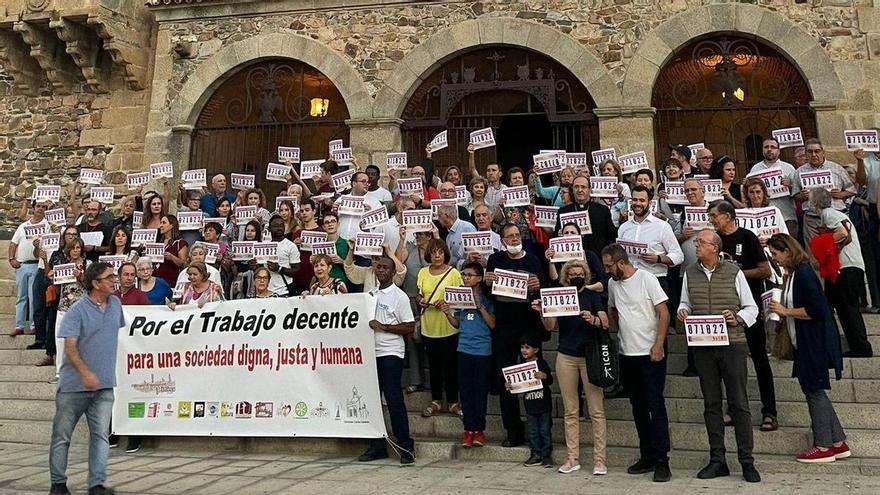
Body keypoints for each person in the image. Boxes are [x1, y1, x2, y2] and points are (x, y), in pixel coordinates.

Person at [678, 229, 761, 483]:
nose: (696, 245)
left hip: (732, 345)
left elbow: (752, 307)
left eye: (701, 242)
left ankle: (747, 461)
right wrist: (683, 311)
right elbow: (685, 302)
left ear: (714, 247)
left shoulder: (734, 272)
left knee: (738, 403)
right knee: (711, 404)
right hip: (703, 345)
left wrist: (737, 318)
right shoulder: (690, 272)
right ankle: (718, 460)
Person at [765, 234, 849, 463]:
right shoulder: (793, 275)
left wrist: (785, 312)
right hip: (803, 341)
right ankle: (838, 441)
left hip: (813, 342)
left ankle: (823, 445)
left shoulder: (802, 273)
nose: (775, 258)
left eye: (776, 253)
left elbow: (816, 310)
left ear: (788, 251)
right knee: (814, 389)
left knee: (814, 390)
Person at [49, 262, 123, 495]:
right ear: (95, 283)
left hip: (104, 385)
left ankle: (96, 485)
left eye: (114, 276)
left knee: (100, 435)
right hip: (73, 387)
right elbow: (70, 347)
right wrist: (85, 372)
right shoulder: (77, 310)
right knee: (62, 436)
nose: (114, 280)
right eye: (109, 277)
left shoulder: (116, 305)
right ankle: (58, 484)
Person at [602, 243, 671, 482]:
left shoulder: (647, 279)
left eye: (610, 265)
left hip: (650, 352)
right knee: (638, 407)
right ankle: (647, 454)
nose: (607, 270)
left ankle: (663, 459)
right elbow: (614, 310)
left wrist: (658, 344)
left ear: (622, 263)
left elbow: (664, 312)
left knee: (655, 405)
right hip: (627, 353)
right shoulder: (613, 283)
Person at [707, 201, 778, 431]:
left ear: (727, 216)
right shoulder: (713, 241)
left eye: (714, 215)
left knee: (759, 359)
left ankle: (769, 412)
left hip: (749, 309)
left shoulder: (746, 237)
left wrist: (736, 274)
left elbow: (765, 270)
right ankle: (733, 410)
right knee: (728, 363)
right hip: (723, 311)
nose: (712, 220)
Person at [532, 260, 607, 475]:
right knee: (570, 410)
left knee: (596, 410)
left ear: (586, 275)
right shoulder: (559, 296)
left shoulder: (592, 296)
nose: (576, 276)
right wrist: (542, 311)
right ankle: (572, 457)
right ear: (566, 276)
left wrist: (592, 319)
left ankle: (600, 459)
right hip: (566, 356)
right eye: (572, 273)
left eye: (580, 273)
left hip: (590, 357)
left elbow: (605, 322)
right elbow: (550, 326)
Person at [485, 223, 547, 448]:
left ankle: (539, 430)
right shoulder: (496, 261)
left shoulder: (533, 260)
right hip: (503, 328)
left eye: (516, 235)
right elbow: (488, 293)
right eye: (509, 236)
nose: (513, 238)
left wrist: (538, 284)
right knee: (506, 382)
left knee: (533, 379)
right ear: (502, 241)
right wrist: (487, 282)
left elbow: (544, 291)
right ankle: (513, 431)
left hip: (529, 327)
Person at [357, 254, 416, 465]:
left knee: (393, 399)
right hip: (371, 352)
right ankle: (377, 445)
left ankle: (405, 446)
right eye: (377, 266)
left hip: (390, 352)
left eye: (385, 267)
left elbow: (410, 326)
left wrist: (385, 327)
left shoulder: (398, 296)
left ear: (393, 272)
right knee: (373, 402)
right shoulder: (370, 294)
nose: (380, 270)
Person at [809, 187, 873, 357]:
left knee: (847, 308)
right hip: (851, 266)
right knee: (844, 306)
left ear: (814, 203)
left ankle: (860, 347)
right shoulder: (836, 214)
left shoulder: (829, 214)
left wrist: (823, 243)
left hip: (846, 267)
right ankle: (856, 345)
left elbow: (843, 233)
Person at [439, 261, 495, 449]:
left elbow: (493, 324)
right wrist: (447, 314)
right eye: (464, 275)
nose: (465, 278)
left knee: (479, 391)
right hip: (463, 349)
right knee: (466, 391)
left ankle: (479, 430)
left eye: (469, 275)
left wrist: (480, 306)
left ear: (479, 278)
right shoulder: (460, 298)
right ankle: (468, 430)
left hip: (482, 350)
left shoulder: (487, 297)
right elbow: (458, 324)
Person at [417, 239, 463, 417]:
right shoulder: (422, 272)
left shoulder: (453, 273)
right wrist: (422, 301)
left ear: (445, 254)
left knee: (450, 366)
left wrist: (447, 303)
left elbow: (462, 298)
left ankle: (453, 402)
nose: (437, 255)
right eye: (434, 252)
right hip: (429, 325)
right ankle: (435, 400)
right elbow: (419, 296)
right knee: (434, 366)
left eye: (440, 252)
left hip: (448, 324)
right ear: (429, 254)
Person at [617, 185, 683, 295]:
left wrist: (658, 258)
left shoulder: (662, 226)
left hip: (655, 280)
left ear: (650, 203)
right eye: (635, 200)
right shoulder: (624, 227)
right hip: (629, 281)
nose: (638, 203)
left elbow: (678, 255)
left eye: (642, 200)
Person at [792, 138, 857, 246]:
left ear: (823, 152)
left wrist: (840, 194)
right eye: (810, 152)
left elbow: (852, 190)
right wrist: (803, 196)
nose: (813, 154)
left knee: (841, 250)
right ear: (806, 154)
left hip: (836, 216)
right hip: (812, 220)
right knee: (815, 252)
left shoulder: (837, 168)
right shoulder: (799, 172)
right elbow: (795, 195)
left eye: (817, 151)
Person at [111, 262, 146, 454]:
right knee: (113, 395)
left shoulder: (140, 296)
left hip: (133, 353)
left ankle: (134, 437)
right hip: (113, 352)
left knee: (133, 394)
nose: (130, 278)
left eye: (133, 274)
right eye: (126, 274)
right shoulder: (112, 297)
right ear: (119, 276)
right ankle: (113, 433)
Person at [9, 199, 48, 337]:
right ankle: (19, 325)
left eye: (44, 207)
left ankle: (33, 325)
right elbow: (13, 243)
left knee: (34, 297)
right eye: (38, 206)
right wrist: (11, 258)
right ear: (33, 207)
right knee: (21, 296)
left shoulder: (47, 225)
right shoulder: (23, 226)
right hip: (23, 264)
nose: (41, 209)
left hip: (37, 265)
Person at [515, 335, 554, 469]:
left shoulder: (541, 363)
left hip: (543, 404)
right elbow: (516, 385)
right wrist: (510, 385)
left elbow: (550, 380)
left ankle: (546, 455)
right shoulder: (521, 366)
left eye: (527, 347)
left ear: (536, 349)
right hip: (530, 405)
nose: (524, 350)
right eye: (522, 347)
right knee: (533, 431)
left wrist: (544, 375)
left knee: (544, 430)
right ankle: (535, 454)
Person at [555, 175, 617, 254]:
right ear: (572, 190)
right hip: (572, 259)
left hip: (598, 258)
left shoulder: (602, 210)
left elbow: (611, 236)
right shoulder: (563, 211)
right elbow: (556, 235)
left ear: (590, 190)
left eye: (583, 187)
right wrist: (559, 234)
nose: (580, 190)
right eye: (576, 187)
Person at [749, 137, 798, 234]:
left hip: (787, 217)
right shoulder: (755, 169)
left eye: (773, 147)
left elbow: (798, 193)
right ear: (762, 150)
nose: (769, 149)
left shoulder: (789, 168)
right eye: (766, 147)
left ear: (778, 151)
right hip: (764, 219)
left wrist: (791, 185)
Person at [546, 222, 608, 293]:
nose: (569, 235)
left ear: (579, 236)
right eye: (566, 233)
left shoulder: (589, 255)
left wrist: (585, 288)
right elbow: (554, 281)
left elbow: (604, 280)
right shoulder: (557, 256)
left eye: (572, 232)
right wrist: (551, 260)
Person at [264, 215, 301, 297]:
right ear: (269, 228)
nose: (279, 228)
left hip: (284, 291)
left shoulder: (291, 246)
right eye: (276, 226)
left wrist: (279, 269)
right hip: (266, 291)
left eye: (281, 225)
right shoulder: (264, 246)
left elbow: (297, 270)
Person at [436, 204, 476, 269]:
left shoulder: (467, 228)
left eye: (439, 216)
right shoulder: (448, 237)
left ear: (446, 215)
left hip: (468, 270)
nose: (438, 219)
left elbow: (473, 254)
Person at [154, 215, 189, 287]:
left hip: (170, 281)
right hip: (155, 279)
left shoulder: (180, 243)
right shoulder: (158, 243)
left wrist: (172, 257)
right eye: (160, 223)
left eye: (164, 223)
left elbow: (184, 264)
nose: (161, 225)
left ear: (172, 225)